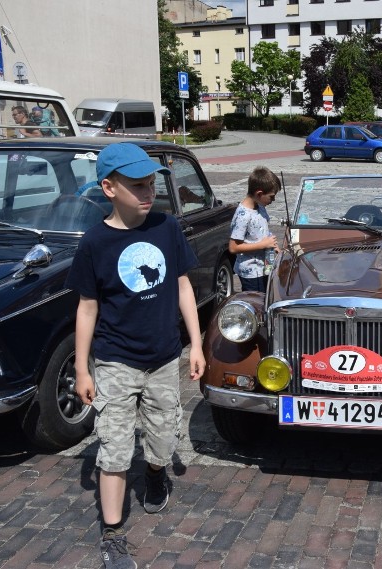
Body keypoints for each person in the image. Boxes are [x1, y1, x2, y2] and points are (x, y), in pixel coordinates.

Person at [65, 142, 205, 569]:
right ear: (109, 187)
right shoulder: (95, 243)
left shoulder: (166, 228)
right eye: (137, 186)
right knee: (113, 447)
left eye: (151, 185)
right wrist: (81, 366)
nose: (148, 194)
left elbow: (182, 285)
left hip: (163, 358)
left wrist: (195, 344)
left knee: (163, 439)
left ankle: (156, 472)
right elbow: (87, 307)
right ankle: (112, 534)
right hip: (115, 361)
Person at [228, 166, 280, 292]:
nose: (273, 200)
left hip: (264, 267)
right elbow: (233, 247)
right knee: (256, 303)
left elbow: (263, 230)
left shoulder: (260, 206)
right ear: (259, 194)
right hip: (251, 273)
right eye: (271, 197)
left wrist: (273, 246)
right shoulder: (243, 215)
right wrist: (262, 245)